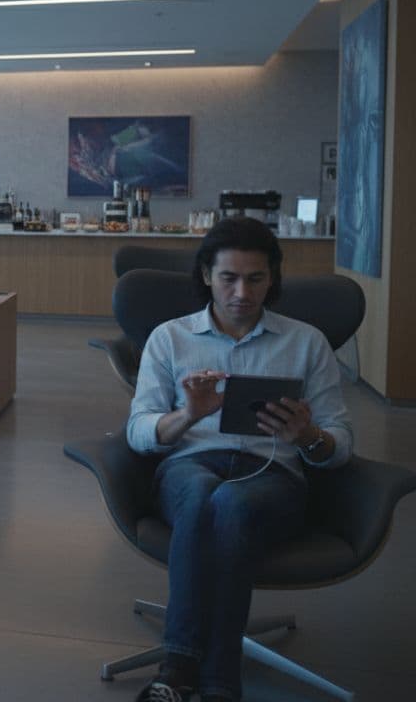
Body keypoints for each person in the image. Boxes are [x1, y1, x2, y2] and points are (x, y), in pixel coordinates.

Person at [126, 218, 352, 702]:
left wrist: (308, 436)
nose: (242, 293)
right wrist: (188, 415)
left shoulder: (306, 342)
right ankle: (211, 680)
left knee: (230, 500)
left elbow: (340, 441)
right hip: (191, 465)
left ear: (273, 279)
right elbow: (138, 430)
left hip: (273, 474)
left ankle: (184, 670)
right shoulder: (170, 338)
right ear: (207, 275)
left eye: (255, 278)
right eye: (228, 278)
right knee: (204, 492)